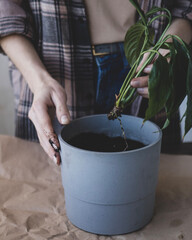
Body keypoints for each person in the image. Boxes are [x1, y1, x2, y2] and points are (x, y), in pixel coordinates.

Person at [0, 0, 191, 165]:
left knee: (151, 179)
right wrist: (39, 81)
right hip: (55, 71)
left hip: (147, 63)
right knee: (51, 176)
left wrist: (169, 48)